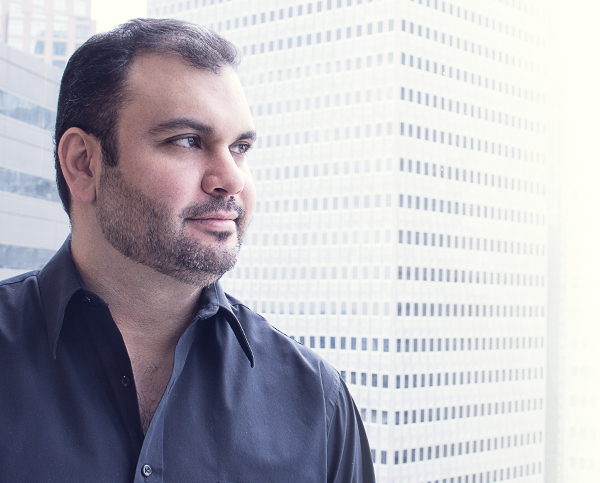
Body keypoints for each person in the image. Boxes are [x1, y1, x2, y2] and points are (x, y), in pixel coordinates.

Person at [0, 18, 375, 483]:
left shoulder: (318, 400)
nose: (231, 178)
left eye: (240, 147)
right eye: (187, 141)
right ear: (84, 164)